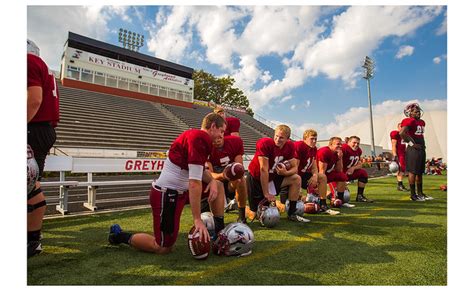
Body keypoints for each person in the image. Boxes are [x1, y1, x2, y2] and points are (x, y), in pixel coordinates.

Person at [108, 113, 227, 254]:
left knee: (218, 186)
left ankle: (219, 233)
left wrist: (212, 180)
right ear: (213, 126)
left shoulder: (200, 138)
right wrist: (197, 219)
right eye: (221, 131)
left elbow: (198, 170)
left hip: (181, 191)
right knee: (162, 247)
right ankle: (119, 236)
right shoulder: (199, 138)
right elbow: (194, 182)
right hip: (168, 194)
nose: (222, 136)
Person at [27, 39, 60, 258]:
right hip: (44, 128)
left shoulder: (28, 61)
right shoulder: (45, 69)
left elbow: (34, 99)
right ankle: (32, 239)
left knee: (28, 184)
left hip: (35, 127)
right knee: (31, 182)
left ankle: (31, 239)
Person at [246, 125, 309, 223]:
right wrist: (266, 193)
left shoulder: (290, 146)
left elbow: (295, 167)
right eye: (276, 136)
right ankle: (240, 207)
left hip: (271, 178)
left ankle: (292, 213)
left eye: (281, 137)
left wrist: (286, 172)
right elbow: (263, 169)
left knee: (296, 178)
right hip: (256, 178)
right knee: (256, 215)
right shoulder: (265, 143)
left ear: (287, 139)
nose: (277, 139)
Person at [204, 134, 248, 223]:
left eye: (219, 137)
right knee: (214, 182)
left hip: (230, 182)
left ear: (223, 134)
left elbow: (239, 166)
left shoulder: (234, 142)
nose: (217, 141)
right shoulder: (206, 148)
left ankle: (242, 217)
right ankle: (217, 219)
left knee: (241, 180)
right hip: (215, 182)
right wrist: (223, 175)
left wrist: (237, 173)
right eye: (214, 139)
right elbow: (209, 175)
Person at [293, 129, 333, 212]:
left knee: (322, 177)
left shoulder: (314, 149)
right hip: (293, 175)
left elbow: (314, 166)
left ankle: (323, 204)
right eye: (312, 139)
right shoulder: (299, 145)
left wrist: (315, 176)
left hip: (304, 175)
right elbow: (295, 166)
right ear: (304, 138)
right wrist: (297, 185)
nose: (314, 141)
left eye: (315, 139)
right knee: (288, 203)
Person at [400, 103, 432, 201]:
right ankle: (413, 195)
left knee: (420, 172)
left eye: (418, 110)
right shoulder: (408, 120)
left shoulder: (422, 122)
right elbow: (402, 133)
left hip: (421, 148)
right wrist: (412, 144)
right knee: (413, 171)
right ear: (409, 113)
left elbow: (419, 135)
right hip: (413, 150)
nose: (418, 112)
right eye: (415, 111)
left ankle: (420, 193)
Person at [317, 137, 350, 209]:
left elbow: (339, 170)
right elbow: (321, 172)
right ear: (330, 144)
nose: (340, 146)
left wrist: (340, 158)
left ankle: (340, 200)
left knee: (342, 176)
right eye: (338, 144)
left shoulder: (337, 153)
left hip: (327, 174)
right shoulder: (325, 151)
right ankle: (323, 201)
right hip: (317, 175)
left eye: (341, 144)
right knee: (311, 199)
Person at [341, 136, 374, 203]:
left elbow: (360, 164)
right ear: (348, 142)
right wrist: (342, 180)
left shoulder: (358, 150)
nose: (356, 145)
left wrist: (353, 168)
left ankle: (360, 196)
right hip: (338, 174)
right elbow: (336, 165)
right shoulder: (343, 149)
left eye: (358, 143)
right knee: (342, 198)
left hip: (348, 173)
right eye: (354, 142)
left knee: (363, 173)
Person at [390, 123, 409, 191]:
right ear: (398, 127)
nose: (403, 128)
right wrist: (395, 155)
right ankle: (400, 185)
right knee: (401, 169)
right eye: (401, 127)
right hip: (399, 154)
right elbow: (393, 145)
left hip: (403, 153)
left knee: (403, 169)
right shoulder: (395, 133)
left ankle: (400, 185)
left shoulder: (404, 135)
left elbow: (409, 143)